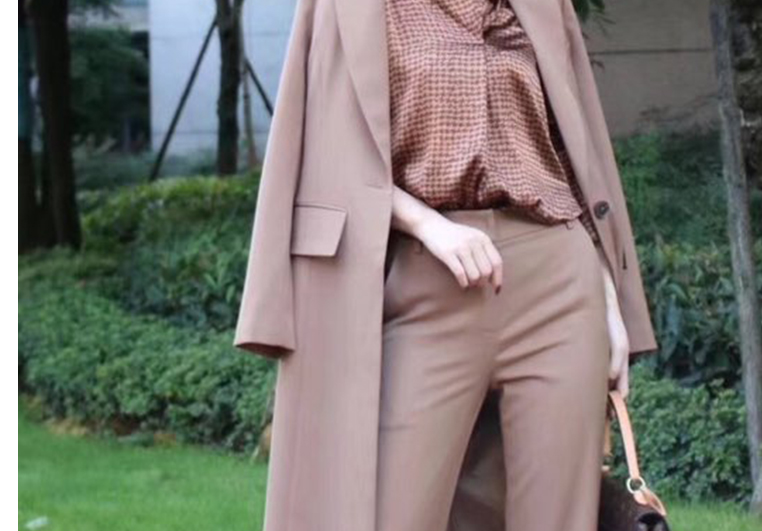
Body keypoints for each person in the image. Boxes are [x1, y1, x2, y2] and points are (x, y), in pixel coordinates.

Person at [233, 1, 659, 530]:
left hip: (559, 283)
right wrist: (426, 223)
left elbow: (578, 157)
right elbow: (322, 155)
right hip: (429, 284)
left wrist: (609, 298)